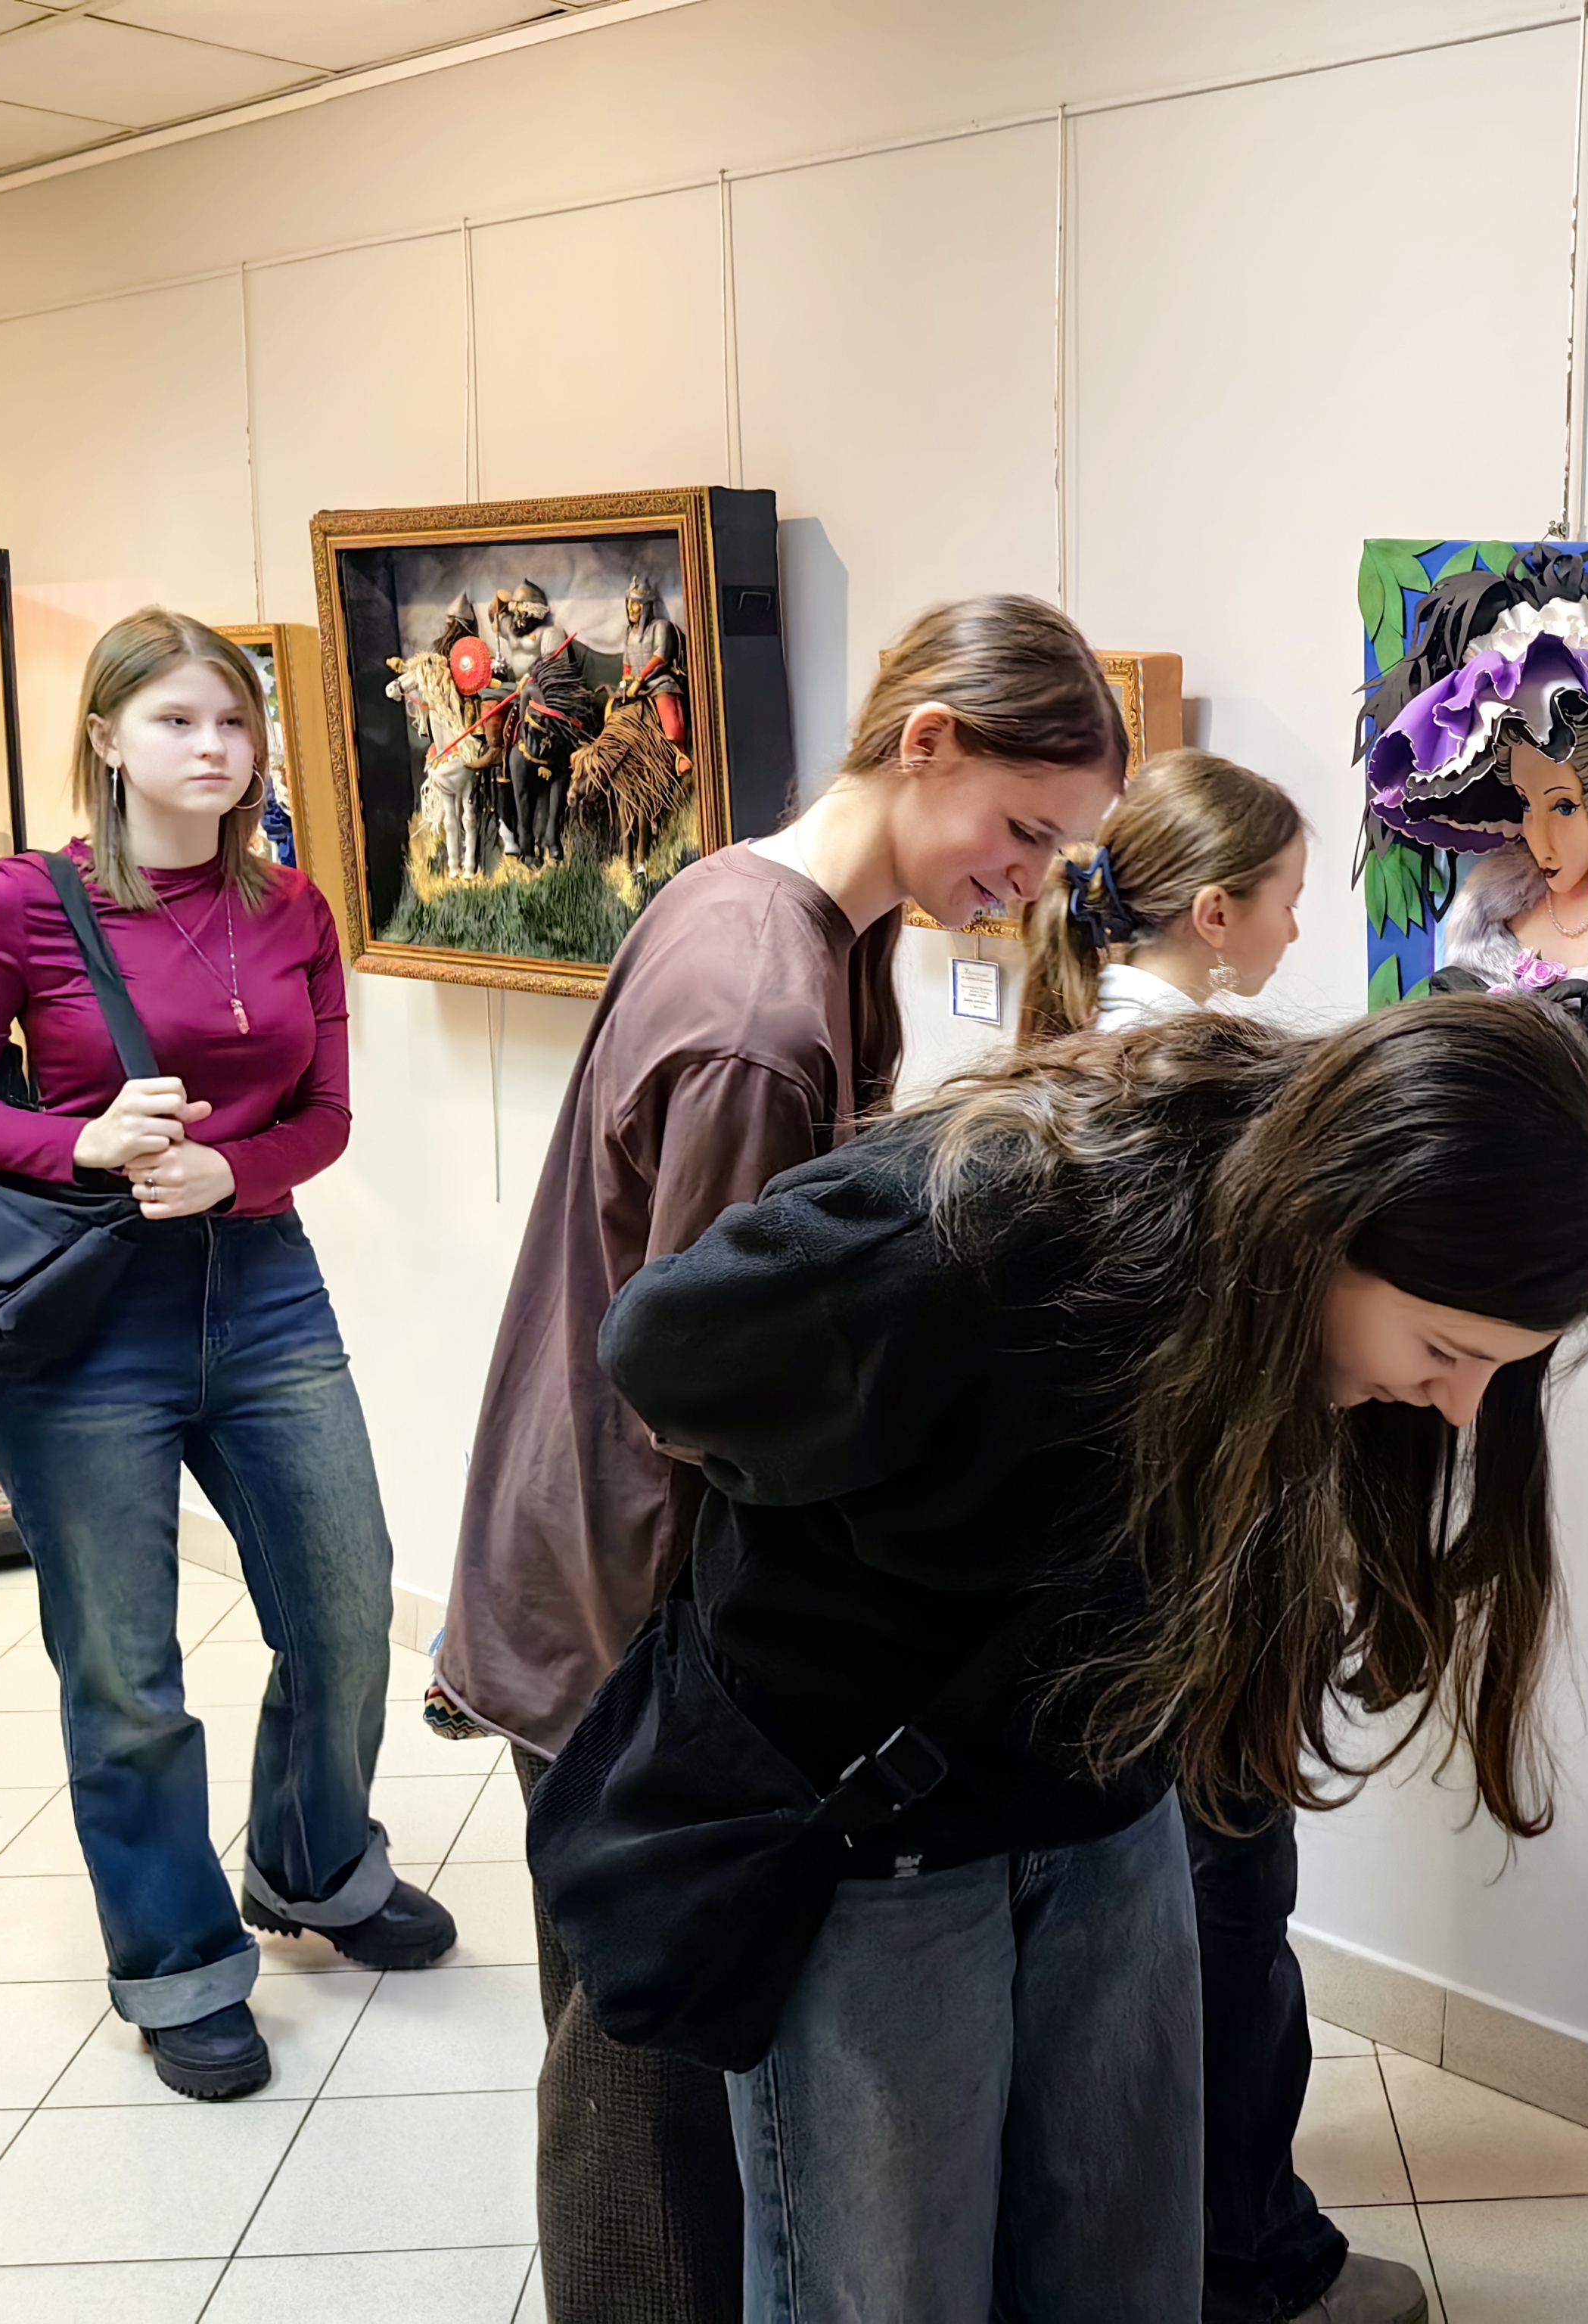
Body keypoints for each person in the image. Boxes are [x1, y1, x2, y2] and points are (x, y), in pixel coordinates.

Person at [587, 996, 1588, 2324]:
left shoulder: (1271, 1302)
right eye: (1444, 1351)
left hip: (1107, 1806)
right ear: (1329, 1217)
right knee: (888, 2288)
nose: (1457, 1405)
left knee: (1127, 2267)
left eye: (1496, 1369)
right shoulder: (998, 1217)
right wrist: (889, 1513)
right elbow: (663, 1352)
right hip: (876, 1841)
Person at [434, 594, 1128, 2323]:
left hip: (594, 1554)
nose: (1029, 879)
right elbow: (708, 1379)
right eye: (1023, 829)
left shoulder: (785, 913)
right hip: (619, 1592)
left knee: (658, 2045)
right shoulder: (760, 1006)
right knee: (649, 2073)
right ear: (927, 742)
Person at [0, 607, 447, 2100]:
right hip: (79, 1323)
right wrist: (78, 1141)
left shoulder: (294, 906)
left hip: (261, 1289)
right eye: (176, 720)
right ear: (107, 737)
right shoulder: (24, 905)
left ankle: (314, 1866)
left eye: (233, 721)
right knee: (125, 1671)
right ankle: (179, 1967)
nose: (214, 748)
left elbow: (325, 1115)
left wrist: (234, 1173)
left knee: (345, 1608)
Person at [1019, 755, 1419, 2324]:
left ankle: (1166, 2251)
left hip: (1088, 1590)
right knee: (1229, 1925)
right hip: (1200, 1580)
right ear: (1211, 911)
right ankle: (1247, 2262)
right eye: (1287, 899)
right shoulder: (1218, 1089)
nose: (1299, 927)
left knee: (1142, 1937)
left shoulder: (1052, 1065)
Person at [1017, 746, 1306, 1043]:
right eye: (1289, 905)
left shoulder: (1106, 1032)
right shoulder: (1176, 1061)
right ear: (1216, 916)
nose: (1293, 933)